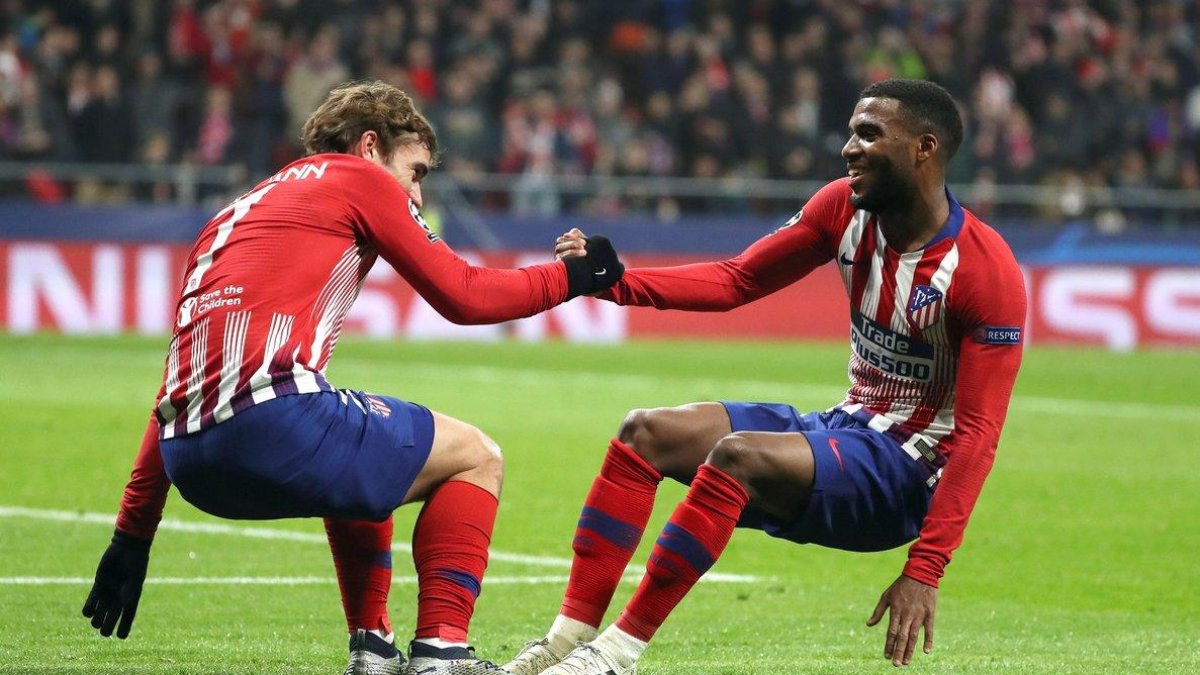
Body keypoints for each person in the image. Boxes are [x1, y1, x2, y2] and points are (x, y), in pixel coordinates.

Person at [79, 80, 624, 675]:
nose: (417, 194)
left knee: (373, 456)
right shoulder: (359, 179)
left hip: (189, 458)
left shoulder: (234, 213)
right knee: (476, 455)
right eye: (415, 172)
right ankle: (443, 652)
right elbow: (464, 296)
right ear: (369, 146)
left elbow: (174, 392)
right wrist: (575, 278)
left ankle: (374, 650)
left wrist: (132, 536)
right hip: (271, 422)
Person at [505, 78, 1026, 674]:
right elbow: (738, 279)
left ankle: (614, 656)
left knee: (738, 455)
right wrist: (614, 281)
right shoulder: (841, 207)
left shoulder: (985, 272)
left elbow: (979, 434)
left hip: (905, 472)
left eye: (868, 134)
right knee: (644, 434)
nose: (848, 149)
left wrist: (924, 569)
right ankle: (568, 640)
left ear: (924, 148)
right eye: (851, 133)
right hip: (846, 426)